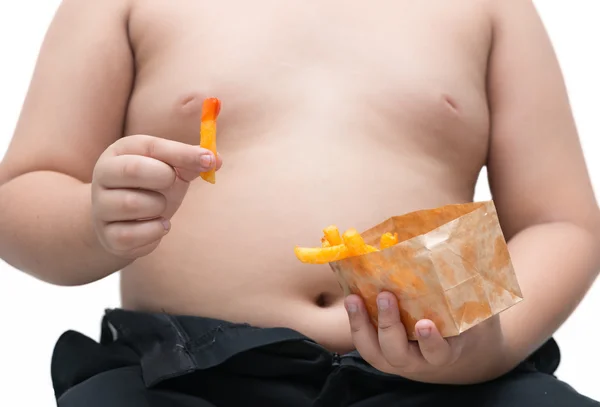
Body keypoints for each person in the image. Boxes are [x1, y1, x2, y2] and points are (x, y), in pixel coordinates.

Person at [1, 0, 599, 405]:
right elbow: (20, 195)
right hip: (186, 374)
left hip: (449, 374)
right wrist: (90, 224)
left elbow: (562, 222)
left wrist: (487, 348)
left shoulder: (491, 9)